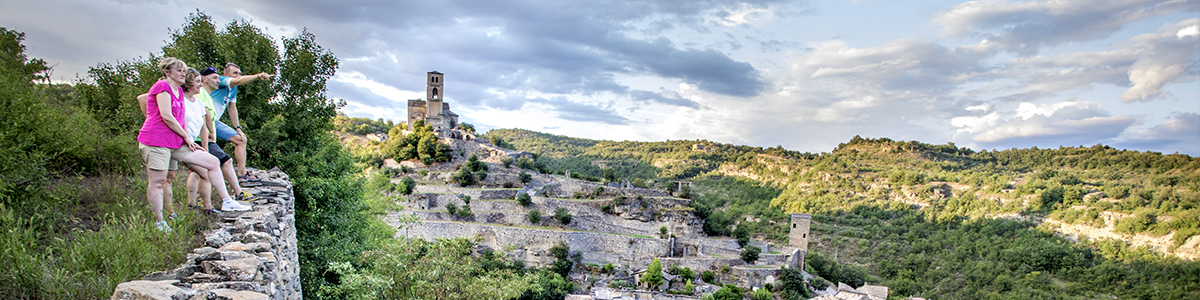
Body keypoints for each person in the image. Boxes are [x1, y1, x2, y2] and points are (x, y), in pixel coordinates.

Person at [136, 58, 246, 232]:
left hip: (175, 140)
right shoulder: (162, 86)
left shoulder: (178, 92)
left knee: (212, 162)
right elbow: (166, 116)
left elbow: (180, 118)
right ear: (167, 72)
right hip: (156, 140)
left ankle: (227, 201)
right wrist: (186, 137)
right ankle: (159, 222)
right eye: (179, 70)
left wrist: (191, 141)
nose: (182, 73)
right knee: (159, 181)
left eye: (183, 70)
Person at [188, 66, 259, 211]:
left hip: (200, 137)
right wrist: (209, 136)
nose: (217, 80)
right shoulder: (202, 93)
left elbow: (230, 109)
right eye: (215, 77)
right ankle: (231, 197)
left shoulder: (208, 94)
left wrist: (237, 127)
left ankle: (194, 203)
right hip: (200, 137)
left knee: (198, 170)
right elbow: (205, 117)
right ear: (204, 79)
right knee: (224, 161)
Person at [210, 63, 273, 182]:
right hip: (205, 122)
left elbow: (232, 108)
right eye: (234, 73)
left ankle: (242, 173)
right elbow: (238, 81)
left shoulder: (233, 89)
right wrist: (258, 76)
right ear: (225, 73)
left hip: (215, 122)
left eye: (239, 73)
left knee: (241, 139)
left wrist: (238, 128)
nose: (237, 75)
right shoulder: (221, 80)